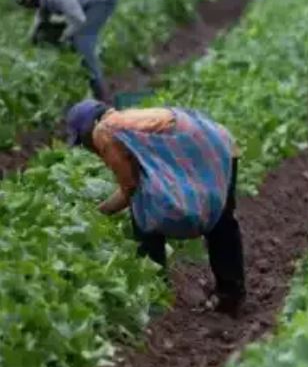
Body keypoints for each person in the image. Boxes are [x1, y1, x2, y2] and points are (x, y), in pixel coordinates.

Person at [65, 99, 246, 316]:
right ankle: (230, 294)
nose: (89, 148)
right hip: (220, 141)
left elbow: (130, 186)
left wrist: (97, 213)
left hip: (206, 147)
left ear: (87, 130)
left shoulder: (103, 131)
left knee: (143, 213)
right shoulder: (128, 121)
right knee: (222, 218)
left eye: (84, 143)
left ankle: (154, 291)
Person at [16, 0, 119, 102]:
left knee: (82, 41)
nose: (33, 8)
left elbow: (79, 20)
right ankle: (83, 71)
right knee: (52, 33)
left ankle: (102, 94)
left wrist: (64, 37)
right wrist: (31, 39)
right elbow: (41, 19)